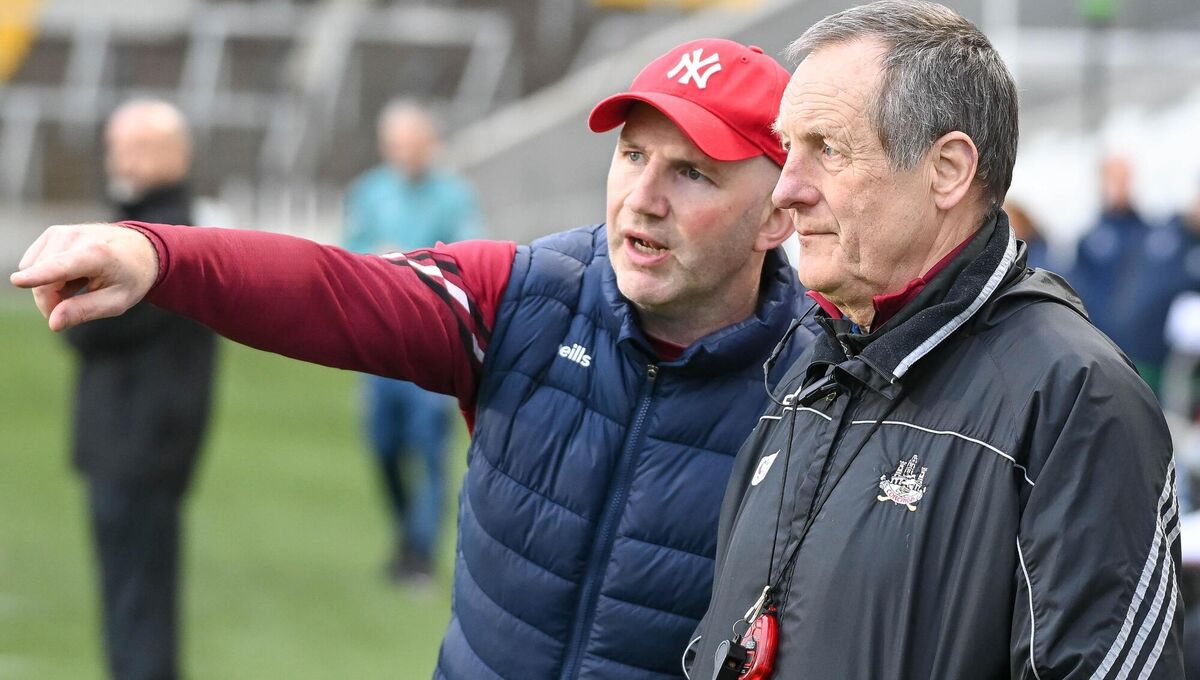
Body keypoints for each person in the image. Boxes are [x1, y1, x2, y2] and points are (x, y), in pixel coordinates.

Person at [12, 39, 814, 679]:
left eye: (692, 172)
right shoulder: (526, 296)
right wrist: (157, 255)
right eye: (633, 155)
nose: (643, 197)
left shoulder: (827, 387)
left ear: (778, 216)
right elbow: (337, 290)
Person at [687, 3, 1184, 678]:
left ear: (947, 169)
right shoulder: (813, 366)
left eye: (826, 148)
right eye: (787, 148)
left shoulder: (1073, 396)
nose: (786, 190)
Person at [65, 99, 218, 680]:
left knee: (137, 606)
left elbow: (86, 327)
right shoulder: (150, 226)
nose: (120, 159)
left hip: (141, 441)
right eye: (117, 146)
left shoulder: (159, 238)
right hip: (135, 440)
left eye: (136, 147)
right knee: (131, 601)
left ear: (176, 154)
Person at [344, 99, 483, 583]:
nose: (403, 151)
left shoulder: (453, 195)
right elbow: (347, 255)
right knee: (383, 448)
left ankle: (420, 554)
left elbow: (467, 258)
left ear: (430, 143)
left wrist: (410, 264)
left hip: (431, 345)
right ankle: (405, 534)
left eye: (411, 141)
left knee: (429, 449)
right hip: (380, 348)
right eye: (395, 143)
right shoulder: (369, 192)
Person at [1069, 155, 1169, 387]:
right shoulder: (1090, 241)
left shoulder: (1153, 234)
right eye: (1114, 178)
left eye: (1125, 178)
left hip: (1152, 354)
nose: (1120, 185)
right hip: (1109, 353)